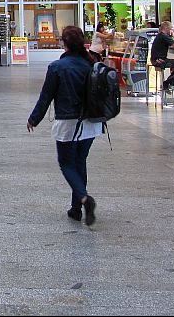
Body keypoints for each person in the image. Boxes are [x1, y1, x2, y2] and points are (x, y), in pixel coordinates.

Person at [26, 25, 101, 226]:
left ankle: (84, 199)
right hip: (91, 123)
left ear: (64, 43)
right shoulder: (91, 64)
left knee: (66, 163)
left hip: (68, 121)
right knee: (80, 161)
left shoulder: (57, 67)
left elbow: (46, 97)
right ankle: (76, 208)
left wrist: (34, 119)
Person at [150, 21, 174, 93]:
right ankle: (167, 83)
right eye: (171, 28)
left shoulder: (160, 36)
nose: (172, 30)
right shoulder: (163, 36)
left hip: (156, 60)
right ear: (166, 28)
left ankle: (170, 82)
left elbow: (172, 45)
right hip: (160, 61)